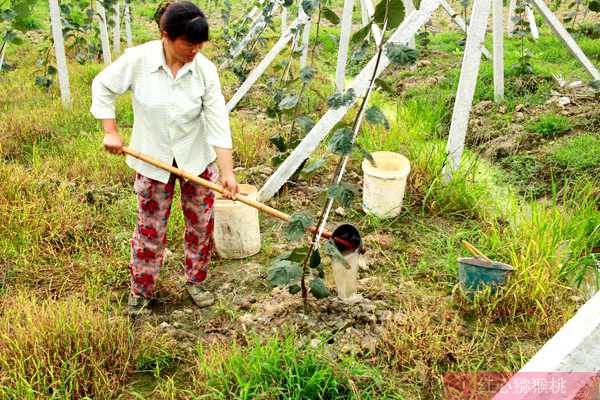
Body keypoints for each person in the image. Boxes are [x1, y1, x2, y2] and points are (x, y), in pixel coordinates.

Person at [90, 0, 238, 316]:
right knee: (150, 227)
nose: (195, 50)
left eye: (200, 44)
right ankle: (141, 290)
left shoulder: (205, 71)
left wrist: (227, 172)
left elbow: (217, 121)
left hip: (196, 159)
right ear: (165, 35)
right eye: (188, 43)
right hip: (151, 159)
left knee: (200, 225)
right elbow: (102, 86)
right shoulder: (139, 60)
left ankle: (196, 281)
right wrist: (111, 131)